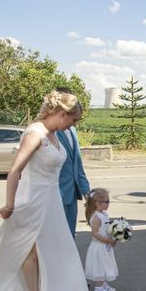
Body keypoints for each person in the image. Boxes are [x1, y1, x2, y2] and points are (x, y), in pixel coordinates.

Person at [0, 90, 90, 291]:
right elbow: (14, 170)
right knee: (30, 252)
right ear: (62, 114)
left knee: (54, 250)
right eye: (73, 119)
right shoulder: (35, 134)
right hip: (31, 200)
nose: (74, 125)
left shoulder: (54, 134)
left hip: (51, 199)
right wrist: (10, 204)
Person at [55, 87, 90, 238]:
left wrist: (87, 192)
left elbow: (77, 163)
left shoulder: (72, 130)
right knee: (57, 239)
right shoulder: (49, 132)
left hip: (72, 193)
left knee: (69, 237)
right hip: (56, 194)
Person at [84, 188, 118, 291]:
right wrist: (108, 240)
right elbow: (95, 233)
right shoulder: (97, 217)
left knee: (104, 265)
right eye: (106, 201)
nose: (108, 203)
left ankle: (103, 285)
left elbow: (106, 228)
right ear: (97, 203)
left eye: (108, 201)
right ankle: (98, 289)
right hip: (99, 246)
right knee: (99, 266)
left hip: (105, 246)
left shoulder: (103, 214)